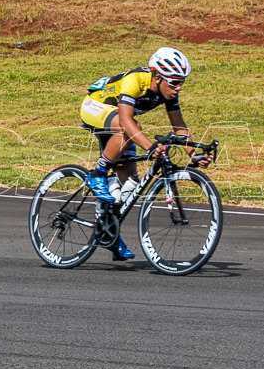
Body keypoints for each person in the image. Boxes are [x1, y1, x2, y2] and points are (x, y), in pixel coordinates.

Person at [79, 47, 208, 260]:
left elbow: (180, 128)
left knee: (130, 185)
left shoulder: (169, 92)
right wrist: (149, 147)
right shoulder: (135, 79)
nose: (179, 88)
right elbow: (127, 121)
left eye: (182, 82)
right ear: (157, 77)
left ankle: (109, 232)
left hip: (118, 126)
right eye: (175, 82)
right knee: (128, 126)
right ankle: (98, 173)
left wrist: (194, 155)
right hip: (95, 107)